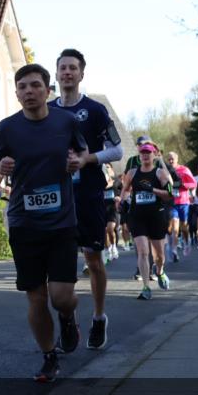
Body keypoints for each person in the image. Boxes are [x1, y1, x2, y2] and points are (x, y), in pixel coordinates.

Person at [0, 63, 89, 380]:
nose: (28, 92)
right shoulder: (7, 128)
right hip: (24, 223)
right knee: (36, 296)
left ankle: (68, 318)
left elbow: (82, 154)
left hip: (61, 223)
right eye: (22, 87)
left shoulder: (66, 121)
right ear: (16, 94)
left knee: (61, 297)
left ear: (47, 90)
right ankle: (48, 355)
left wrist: (76, 162)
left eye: (35, 86)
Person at [51, 49, 123, 350]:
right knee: (58, 265)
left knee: (93, 260)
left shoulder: (95, 110)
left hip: (89, 193)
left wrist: (88, 158)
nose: (67, 72)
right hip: (56, 195)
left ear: (82, 74)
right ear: (56, 74)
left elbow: (117, 151)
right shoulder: (47, 111)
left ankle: (98, 317)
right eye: (62, 68)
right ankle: (67, 320)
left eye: (73, 68)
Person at [120, 140, 173, 299]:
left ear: (154, 155)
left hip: (156, 216)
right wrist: (123, 202)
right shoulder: (132, 173)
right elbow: (125, 190)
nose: (145, 155)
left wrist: (152, 189)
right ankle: (145, 287)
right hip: (137, 216)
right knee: (143, 252)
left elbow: (169, 194)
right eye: (142, 153)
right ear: (139, 155)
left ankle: (160, 271)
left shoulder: (160, 173)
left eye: (148, 152)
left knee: (159, 256)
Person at [165, 151, 197, 262]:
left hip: (183, 201)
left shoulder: (184, 170)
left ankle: (186, 242)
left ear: (177, 159)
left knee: (184, 227)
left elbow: (193, 184)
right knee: (174, 227)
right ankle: (174, 250)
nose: (170, 161)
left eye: (172, 158)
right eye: (169, 159)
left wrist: (183, 184)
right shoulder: (166, 171)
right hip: (172, 202)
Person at [102, 164, 120, 262]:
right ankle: (108, 248)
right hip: (102, 208)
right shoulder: (100, 181)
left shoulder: (116, 180)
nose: (106, 169)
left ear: (112, 169)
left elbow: (124, 190)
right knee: (104, 231)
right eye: (105, 168)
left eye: (108, 167)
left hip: (113, 208)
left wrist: (119, 197)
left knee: (110, 228)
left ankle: (113, 246)